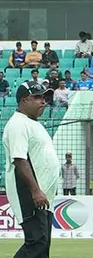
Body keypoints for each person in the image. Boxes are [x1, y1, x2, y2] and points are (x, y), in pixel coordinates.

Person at [3, 81, 60, 257]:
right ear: (23, 101)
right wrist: (35, 191)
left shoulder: (33, 123)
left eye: (44, 97)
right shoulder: (18, 124)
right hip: (28, 191)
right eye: (37, 97)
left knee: (42, 246)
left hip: (43, 194)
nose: (43, 101)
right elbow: (20, 160)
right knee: (37, 242)